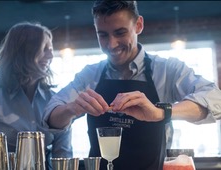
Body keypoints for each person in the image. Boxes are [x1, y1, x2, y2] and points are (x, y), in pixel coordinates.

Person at [44, 1, 221, 170]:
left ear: (138, 25)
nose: (111, 45)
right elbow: (50, 114)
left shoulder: (167, 70)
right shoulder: (90, 74)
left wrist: (160, 112)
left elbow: (215, 99)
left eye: (120, 33)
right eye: (103, 35)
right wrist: (72, 108)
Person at [0, 22, 72, 169]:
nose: (51, 55)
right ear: (24, 51)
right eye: (44, 49)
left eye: (51, 49)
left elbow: (63, 155)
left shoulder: (56, 101)